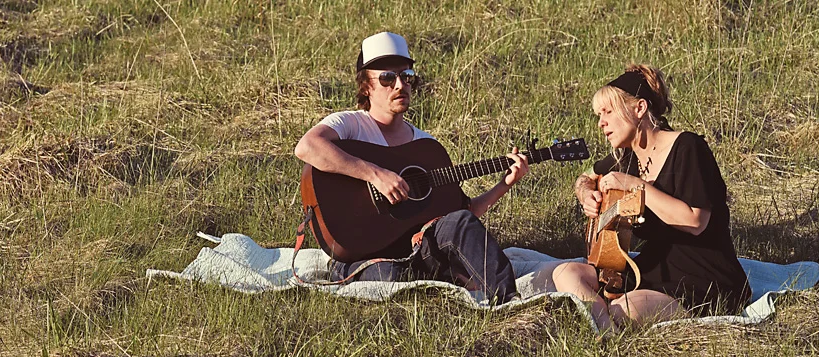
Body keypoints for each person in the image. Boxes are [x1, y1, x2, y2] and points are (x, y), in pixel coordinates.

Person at [293, 32, 528, 304]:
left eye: (406, 76)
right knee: (393, 279)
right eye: (387, 78)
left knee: (459, 224)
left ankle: (508, 302)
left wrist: (504, 185)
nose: (399, 85)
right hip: (359, 254)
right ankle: (448, 278)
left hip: (415, 250)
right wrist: (375, 175)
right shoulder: (350, 125)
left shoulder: (427, 147)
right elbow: (307, 146)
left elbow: (462, 215)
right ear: (366, 86)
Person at [553, 64, 750, 330]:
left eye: (608, 112)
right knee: (566, 272)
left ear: (639, 108)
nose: (601, 123)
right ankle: (605, 332)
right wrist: (586, 193)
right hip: (652, 266)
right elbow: (585, 177)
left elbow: (695, 221)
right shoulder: (627, 157)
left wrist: (637, 186)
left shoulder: (688, 147)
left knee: (625, 309)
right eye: (599, 115)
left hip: (703, 276)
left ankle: (602, 326)